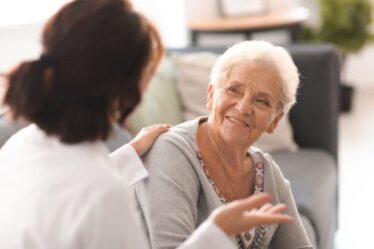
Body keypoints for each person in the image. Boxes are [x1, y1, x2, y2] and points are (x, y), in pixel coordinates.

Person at [0, 1, 293, 249]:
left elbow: (64, 192)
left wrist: (127, 156)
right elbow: (84, 195)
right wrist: (215, 231)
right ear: (128, 88)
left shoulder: (19, 147)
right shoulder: (104, 193)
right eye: (149, 72)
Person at [136, 40, 314, 249]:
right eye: (234, 90)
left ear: (275, 121)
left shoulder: (267, 172)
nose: (243, 107)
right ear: (211, 96)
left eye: (261, 101)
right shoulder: (171, 152)